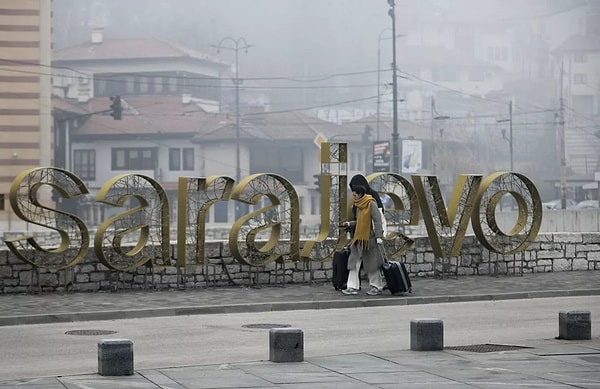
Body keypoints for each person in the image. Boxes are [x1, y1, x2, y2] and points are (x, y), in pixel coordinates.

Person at [340, 184, 386, 296]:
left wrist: (379, 236)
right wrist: (350, 224)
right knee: (354, 263)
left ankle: (376, 287)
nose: (354, 197)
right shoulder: (359, 206)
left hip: (370, 240)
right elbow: (360, 222)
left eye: (355, 195)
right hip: (359, 239)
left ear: (360, 194)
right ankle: (352, 287)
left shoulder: (371, 204)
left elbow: (377, 221)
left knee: (372, 265)